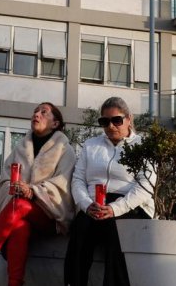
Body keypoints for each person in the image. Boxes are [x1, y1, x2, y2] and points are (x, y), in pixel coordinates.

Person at [0, 103, 75, 285]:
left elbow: (63, 185)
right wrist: (15, 187)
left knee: (20, 205)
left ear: (55, 123)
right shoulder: (20, 147)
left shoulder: (66, 150)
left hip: (50, 216)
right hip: (18, 214)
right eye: (35, 111)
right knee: (20, 226)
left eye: (44, 112)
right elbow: (4, 180)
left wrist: (33, 191)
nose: (37, 114)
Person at [64, 97, 155, 286]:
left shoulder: (143, 146)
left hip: (130, 205)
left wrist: (114, 209)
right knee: (80, 231)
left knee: (116, 234)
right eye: (104, 122)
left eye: (117, 120)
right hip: (93, 203)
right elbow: (78, 179)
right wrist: (86, 204)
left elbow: (145, 185)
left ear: (129, 119)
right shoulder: (91, 145)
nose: (111, 126)